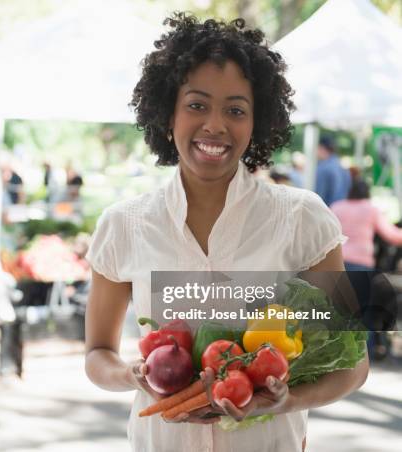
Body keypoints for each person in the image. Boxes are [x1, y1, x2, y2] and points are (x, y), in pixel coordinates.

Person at [83, 14, 368, 452]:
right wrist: (131, 375)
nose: (215, 125)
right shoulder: (124, 225)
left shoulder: (301, 219)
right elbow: (96, 354)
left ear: (257, 123)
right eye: (197, 105)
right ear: (167, 115)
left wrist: (284, 401)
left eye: (235, 110)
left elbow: (353, 365)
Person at [331, 178, 402, 358]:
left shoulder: (337, 206)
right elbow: (391, 235)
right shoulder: (371, 209)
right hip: (361, 265)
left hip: (336, 261)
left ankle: (336, 353)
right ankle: (363, 355)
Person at [315, 136, 351, 206]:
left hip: (326, 211)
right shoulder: (343, 167)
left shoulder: (323, 167)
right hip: (341, 212)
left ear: (321, 148)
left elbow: (318, 197)